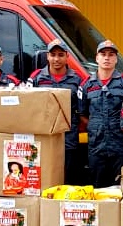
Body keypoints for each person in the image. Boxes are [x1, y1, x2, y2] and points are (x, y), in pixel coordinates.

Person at [28, 40, 86, 184]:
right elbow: (28, 107)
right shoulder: (36, 78)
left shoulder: (78, 79)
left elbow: (83, 107)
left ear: (67, 56)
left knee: (69, 177)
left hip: (69, 137)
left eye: (60, 55)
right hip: (44, 136)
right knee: (45, 175)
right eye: (53, 55)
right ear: (47, 56)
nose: (56, 59)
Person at [78, 40, 123, 187]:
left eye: (111, 55)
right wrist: (96, 128)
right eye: (103, 54)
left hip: (120, 146)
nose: (107, 58)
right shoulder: (86, 85)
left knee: (121, 187)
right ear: (97, 58)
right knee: (97, 187)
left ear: (116, 59)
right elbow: (83, 114)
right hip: (96, 147)